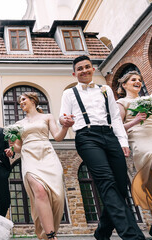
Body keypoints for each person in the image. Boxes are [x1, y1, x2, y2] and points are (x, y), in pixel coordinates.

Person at [59, 55, 145, 240]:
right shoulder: (69, 93)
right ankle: (132, 235)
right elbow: (62, 117)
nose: (84, 70)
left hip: (110, 135)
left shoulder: (105, 89)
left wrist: (122, 141)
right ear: (75, 73)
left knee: (121, 187)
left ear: (92, 69)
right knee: (106, 181)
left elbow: (115, 117)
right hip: (87, 137)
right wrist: (64, 120)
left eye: (87, 67)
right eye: (80, 68)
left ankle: (102, 232)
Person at [8, 92, 70, 240]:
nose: (21, 102)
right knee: (40, 191)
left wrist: (66, 127)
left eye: (23, 99)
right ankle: (50, 235)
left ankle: (49, 230)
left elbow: (58, 137)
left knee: (57, 197)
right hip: (29, 155)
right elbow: (18, 147)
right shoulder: (17, 124)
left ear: (33, 100)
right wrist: (12, 147)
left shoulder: (47, 117)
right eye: (20, 101)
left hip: (47, 154)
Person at [116, 71, 152, 237]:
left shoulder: (150, 100)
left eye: (139, 80)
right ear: (124, 85)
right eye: (133, 80)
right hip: (141, 141)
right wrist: (135, 121)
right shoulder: (121, 102)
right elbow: (116, 128)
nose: (138, 82)